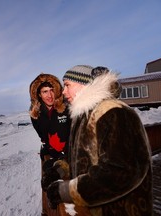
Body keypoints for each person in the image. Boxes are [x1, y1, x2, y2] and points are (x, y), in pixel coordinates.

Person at [45, 65, 153, 215]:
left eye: (67, 85)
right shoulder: (84, 116)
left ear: (85, 84)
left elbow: (120, 172)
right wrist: (59, 170)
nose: (63, 92)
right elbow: (81, 159)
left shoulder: (114, 112)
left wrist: (66, 191)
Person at [29, 73, 71, 216]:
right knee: (46, 182)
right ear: (39, 94)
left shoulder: (66, 108)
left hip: (69, 155)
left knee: (60, 186)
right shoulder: (35, 113)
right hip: (50, 154)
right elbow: (43, 136)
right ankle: (48, 211)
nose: (50, 95)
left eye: (52, 90)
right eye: (45, 91)